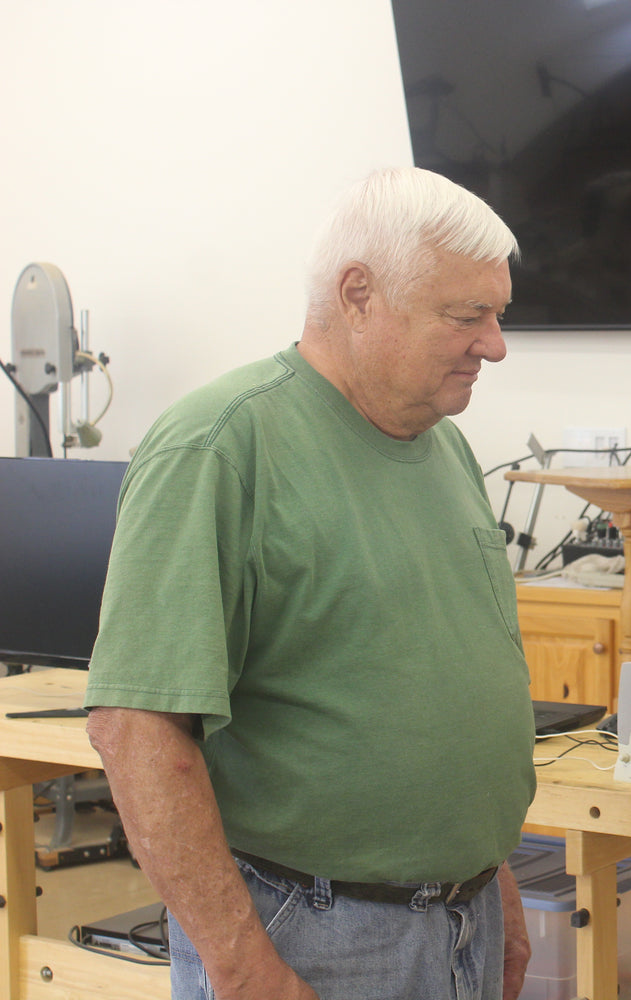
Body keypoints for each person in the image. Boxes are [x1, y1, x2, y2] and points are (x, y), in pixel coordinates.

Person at [84, 167, 537, 1000]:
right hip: (312, 934)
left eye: (497, 314)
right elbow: (136, 731)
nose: (495, 344)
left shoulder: (446, 448)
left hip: (464, 918)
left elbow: (439, 693)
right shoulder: (220, 446)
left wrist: (487, 872)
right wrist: (241, 965)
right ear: (358, 293)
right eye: (467, 316)